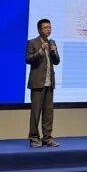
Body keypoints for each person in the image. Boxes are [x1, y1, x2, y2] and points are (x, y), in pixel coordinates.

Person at [26, 18, 61, 148]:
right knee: (36, 113)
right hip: (37, 83)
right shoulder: (32, 42)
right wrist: (41, 51)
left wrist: (54, 51)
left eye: (50, 27)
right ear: (39, 30)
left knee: (48, 113)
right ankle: (34, 138)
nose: (49, 29)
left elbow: (56, 61)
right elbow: (28, 59)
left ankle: (47, 138)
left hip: (49, 83)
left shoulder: (52, 42)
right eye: (46, 27)